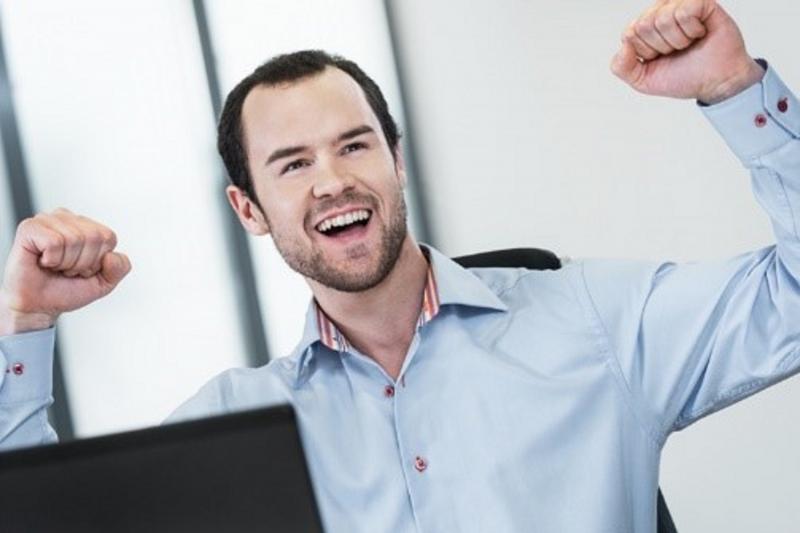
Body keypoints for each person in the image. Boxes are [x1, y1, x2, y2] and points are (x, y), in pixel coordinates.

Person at [0, 0, 797, 530]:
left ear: (397, 161)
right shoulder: (231, 428)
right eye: (291, 164)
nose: (333, 180)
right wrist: (24, 324)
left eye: (353, 145)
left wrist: (735, 92)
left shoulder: (597, 324)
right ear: (249, 210)